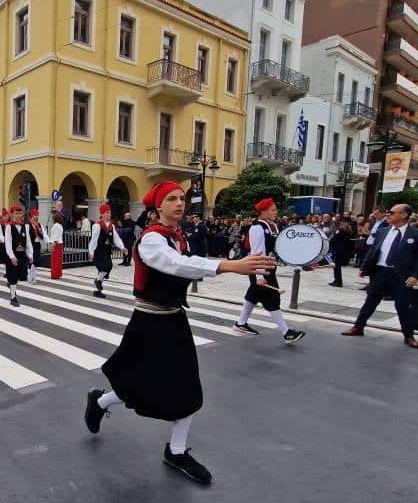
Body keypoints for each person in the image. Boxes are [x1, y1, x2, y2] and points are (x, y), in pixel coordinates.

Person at [83, 180, 277, 484]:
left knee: (187, 385)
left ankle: (176, 450)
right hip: (148, 321)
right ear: (158, 207)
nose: (179, 203)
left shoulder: (179, 236)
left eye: (182, 198)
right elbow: (176, 265)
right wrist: (228, 266)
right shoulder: (151, 240)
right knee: (136, 383)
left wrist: (233, 267)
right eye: (171, 199)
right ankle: (100, 402)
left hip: (174, 319)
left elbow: (188, 262)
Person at [341, 203, 418, 348]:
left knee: (402, 306)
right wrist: (364, 267)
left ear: (404, 215)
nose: (389, 214)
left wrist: (416, 276)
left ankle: (409, 335)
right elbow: (373, 251)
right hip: (381, 272)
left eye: (392, 212)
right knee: (370, 302)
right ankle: (358, 326)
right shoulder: (383, 231)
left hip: (401, 276)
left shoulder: (417, 234)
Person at [233, 199, 306, 342]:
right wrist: (260, 275)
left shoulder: (272, 226)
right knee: (272, 297)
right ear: (263, 211)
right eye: (273, 210)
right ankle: (287, 332)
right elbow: (257, 252)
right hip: (260, 268)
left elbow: (279, 249)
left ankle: (241, 323)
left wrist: (298, 264)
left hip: (269, 267)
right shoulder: (257, 228)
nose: (276, 212)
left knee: (253, 295)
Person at [88, 204, 126, 298]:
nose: (109, 214)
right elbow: (93, 240)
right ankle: (98, 281)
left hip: (107, 249)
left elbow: (116, 238)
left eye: (110, 213)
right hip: (98, 250)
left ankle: (97, 289)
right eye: (107, 213)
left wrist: (122, 247)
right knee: (106, 266)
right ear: (102, 214)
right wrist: (91, 252)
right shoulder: (97, 225)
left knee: (106, 268)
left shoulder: (111, 226)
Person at [3, 203, 33, 307]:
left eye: (20, 213)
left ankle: (11, 285)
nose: (19, 215)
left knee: (23, 275)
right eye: (17, 213)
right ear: (12, 214)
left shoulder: (26, 226)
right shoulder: (9, 227)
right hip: (13, 254)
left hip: (22, 254)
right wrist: (12, 256)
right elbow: (8, 243)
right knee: (13, 276)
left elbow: (28, 242)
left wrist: (30, 255)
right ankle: (13, 297)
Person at [327, 218, 355, 286]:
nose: (340, 224)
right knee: (337, 266)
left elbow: (334, 238)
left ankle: (338, 281)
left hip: (338, 250)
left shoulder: (341, 230)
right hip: (343, 250)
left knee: (336, 266)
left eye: (341, 222)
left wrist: (330, 239)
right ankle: (337, 280)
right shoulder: (349, 231)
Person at [27, 208, 49, 284]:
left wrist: (49, 242)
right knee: (32, 261)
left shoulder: (39, 225)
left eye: (37, 215)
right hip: (30, 244)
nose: (36, 217)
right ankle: (32, 277)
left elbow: (45, 235)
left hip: (37, 244)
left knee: (36, 261)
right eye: (35, 215)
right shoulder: (28, 225)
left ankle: (32, 276)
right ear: (31, 216)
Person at [49, 210, 65, 279]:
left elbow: (56, 237)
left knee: (55, 261)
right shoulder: (60, 225)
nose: (52, 219)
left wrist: (53, 245)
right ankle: (57, 274)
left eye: (53, 218)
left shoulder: (56, 226)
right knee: (58, 261)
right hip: (59, 244)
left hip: (56, 244)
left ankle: (55, 274)